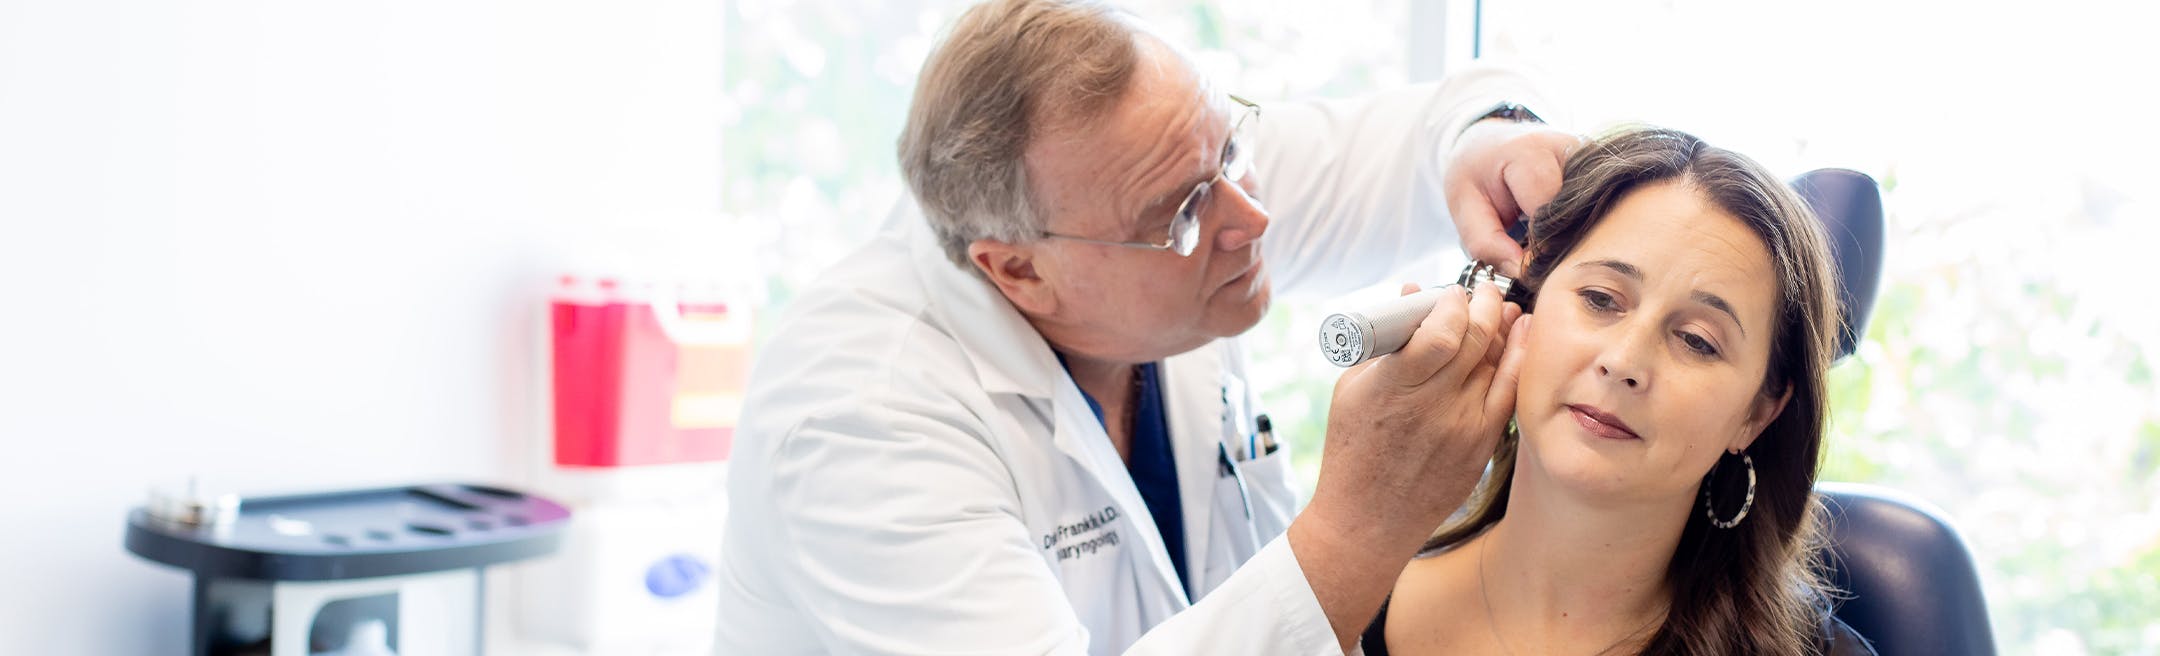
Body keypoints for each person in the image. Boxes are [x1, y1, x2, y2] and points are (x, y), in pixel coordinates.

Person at [713, 0, 1578, 653]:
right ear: (1017, 269)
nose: (1252, 215)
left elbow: (1432, 132)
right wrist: (1361, 526)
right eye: (1184, 213)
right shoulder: (859, 416)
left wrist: (1488, 138)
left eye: (1231, 152)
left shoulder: (1162, 175)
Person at [1362, 126, 1876, 655]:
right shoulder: (1341, 606)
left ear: (1758, 415)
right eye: (1601, 299)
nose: (1624, 361)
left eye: (1697, 341)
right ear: (1525, 305)